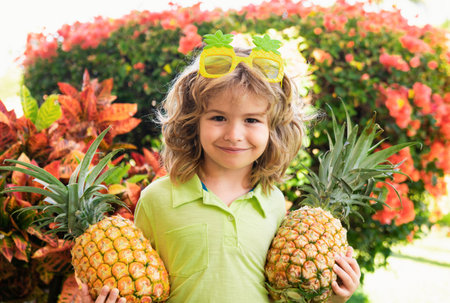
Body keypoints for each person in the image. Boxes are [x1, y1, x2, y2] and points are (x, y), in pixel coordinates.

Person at [78, 30, 360, 303]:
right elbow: (141, 285)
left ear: (273, 129)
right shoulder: (157, 200)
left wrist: (332, 298)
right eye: (218, 118)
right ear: (192, 122)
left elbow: (282, 294)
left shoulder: (272, 202)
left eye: (252, 120)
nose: (234, 134)